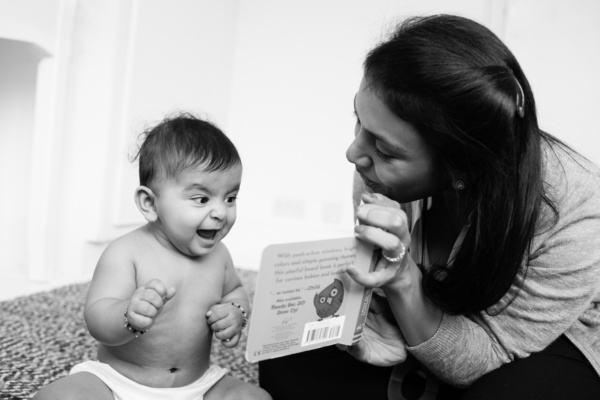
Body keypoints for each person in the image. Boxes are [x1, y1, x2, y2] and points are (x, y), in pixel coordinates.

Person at [260, 14, 600, 400]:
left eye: (385, 150)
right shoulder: (376, 173)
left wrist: (404, 279)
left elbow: (483, 356)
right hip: (430, 316)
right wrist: (383, 315)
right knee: (288, 347)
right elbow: (384, 289)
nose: (354, 153)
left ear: (460, 166)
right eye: (359, 120)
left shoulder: (576, 212)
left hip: (543, 342)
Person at [34, 113, 271, 400]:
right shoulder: (126, 252)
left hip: (199, 385)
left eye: (230, 198)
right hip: (119, 383)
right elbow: (97, 317)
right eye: (202, 199)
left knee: (255, 398)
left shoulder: (219, 255)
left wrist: (236, 312)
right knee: (61, 397)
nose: (221, 212)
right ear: (149, 203)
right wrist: (128, 315)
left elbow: (235, 290)